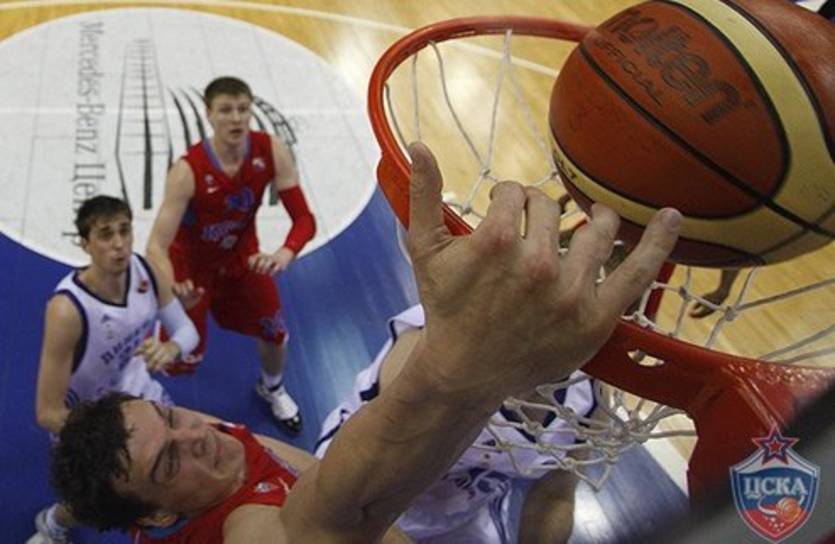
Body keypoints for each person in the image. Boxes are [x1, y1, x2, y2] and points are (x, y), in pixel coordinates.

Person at [51, 142, 681, 543]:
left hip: (432, 503)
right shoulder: (243, 530)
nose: (194, 434)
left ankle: (69, 511)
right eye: (167, 462)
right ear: (161, 516)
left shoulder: (208, 445)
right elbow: (330, 519)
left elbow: (324, 485)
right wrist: (477, 359)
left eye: (170, 416)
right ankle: (60, 519)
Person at [315, 303, 593, 543]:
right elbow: (356, 497)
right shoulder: (433, 345)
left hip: (462, 512)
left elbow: (556, 495)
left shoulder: (588, 400)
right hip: (354, 489)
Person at [146, 76, 316, 434]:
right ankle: (146, 395)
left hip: (242, 261)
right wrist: (172, 286)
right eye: (225, 110)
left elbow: (304, 219)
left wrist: (285, 253)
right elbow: (156, 246)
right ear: (208, 114)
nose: (236, 118)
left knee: (275, 331)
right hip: (191, 273)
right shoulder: (187, 171)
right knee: (179, 360)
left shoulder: (270, 149)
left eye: (243, 109)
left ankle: (272, 388)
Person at [33, 196, 199, 543]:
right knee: (101, 503)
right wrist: (109, 436)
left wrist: (170, 348)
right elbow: (48, 413)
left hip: (140, 394)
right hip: (89, 418)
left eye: (125, 230)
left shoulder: (145, 271)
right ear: (85, 244)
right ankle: (53, 522)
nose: (119, 244)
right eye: (106, 234)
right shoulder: (67, 310)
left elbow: (188, 331)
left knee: (185, 462)